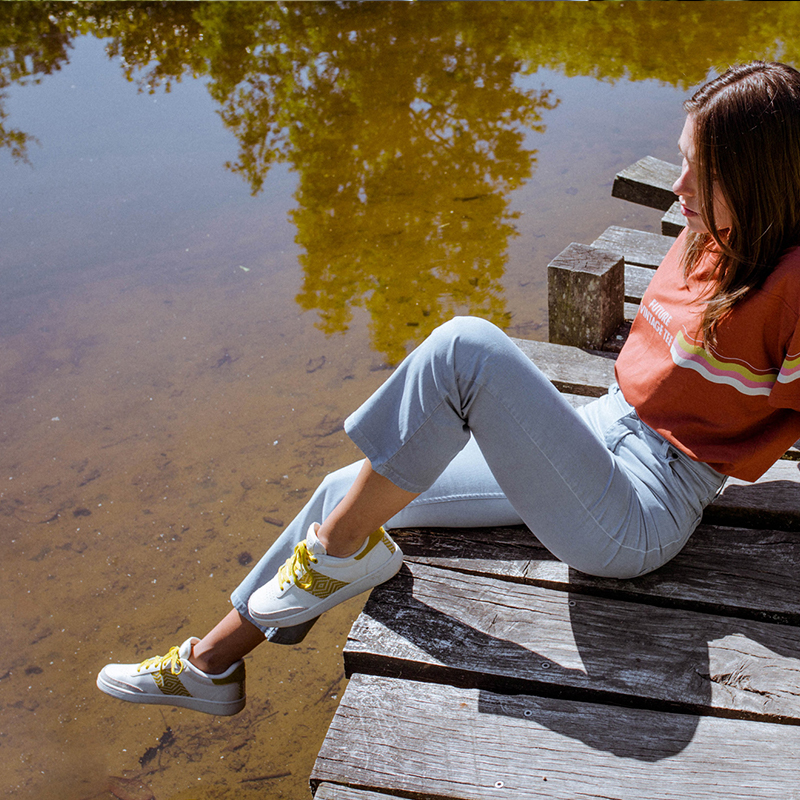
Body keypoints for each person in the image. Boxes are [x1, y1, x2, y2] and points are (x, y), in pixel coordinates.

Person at [97, 61, 800, 716]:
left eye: (698, 170)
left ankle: (334, 559)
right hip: (596, 432)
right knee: (343, 494)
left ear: (759, 178)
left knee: (468, 350)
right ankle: (212, 664)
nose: (677, 188)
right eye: (679, 158)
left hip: (642, 507)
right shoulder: (714, 228)